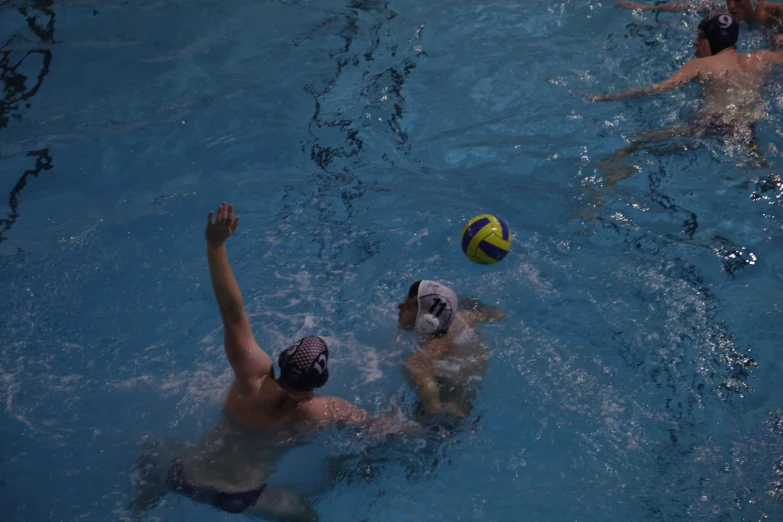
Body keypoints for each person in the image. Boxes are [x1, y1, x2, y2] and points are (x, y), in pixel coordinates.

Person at [130, 202, 414, 521]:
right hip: (238, 496)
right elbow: (382, 427)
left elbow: (232, 312)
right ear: (319, 383)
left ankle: (138, 510)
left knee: (152, 454)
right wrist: (420, 428)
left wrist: (215, 245)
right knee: (308, 518)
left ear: (280, 361)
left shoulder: (251, 379)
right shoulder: (321, 410)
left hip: (184, 477)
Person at [587, 13, 783, 186]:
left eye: (701, 36)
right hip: (745, 128)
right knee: (763, 169)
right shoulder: (761, 58)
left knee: (633, 147)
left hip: (708, 122)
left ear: (715, 38)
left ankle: (604, 187)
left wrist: (606, 97)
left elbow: (662, 87)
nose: (694, 42)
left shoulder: (700, 63)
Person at [397, 280, 504, 422]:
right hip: (470, 407)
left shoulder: (420, 358)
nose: (400, 306)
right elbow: (498, 314)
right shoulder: (464, 317)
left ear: (427, 321)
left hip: (448, 423)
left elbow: (433, 411)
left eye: (408, 306)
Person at [615, 0, 783, 47]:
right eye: (728, 0)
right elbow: (691, 5)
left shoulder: (774, 10)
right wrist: (647, 7)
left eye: (738, 1)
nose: (731, 6)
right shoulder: (729, 9)